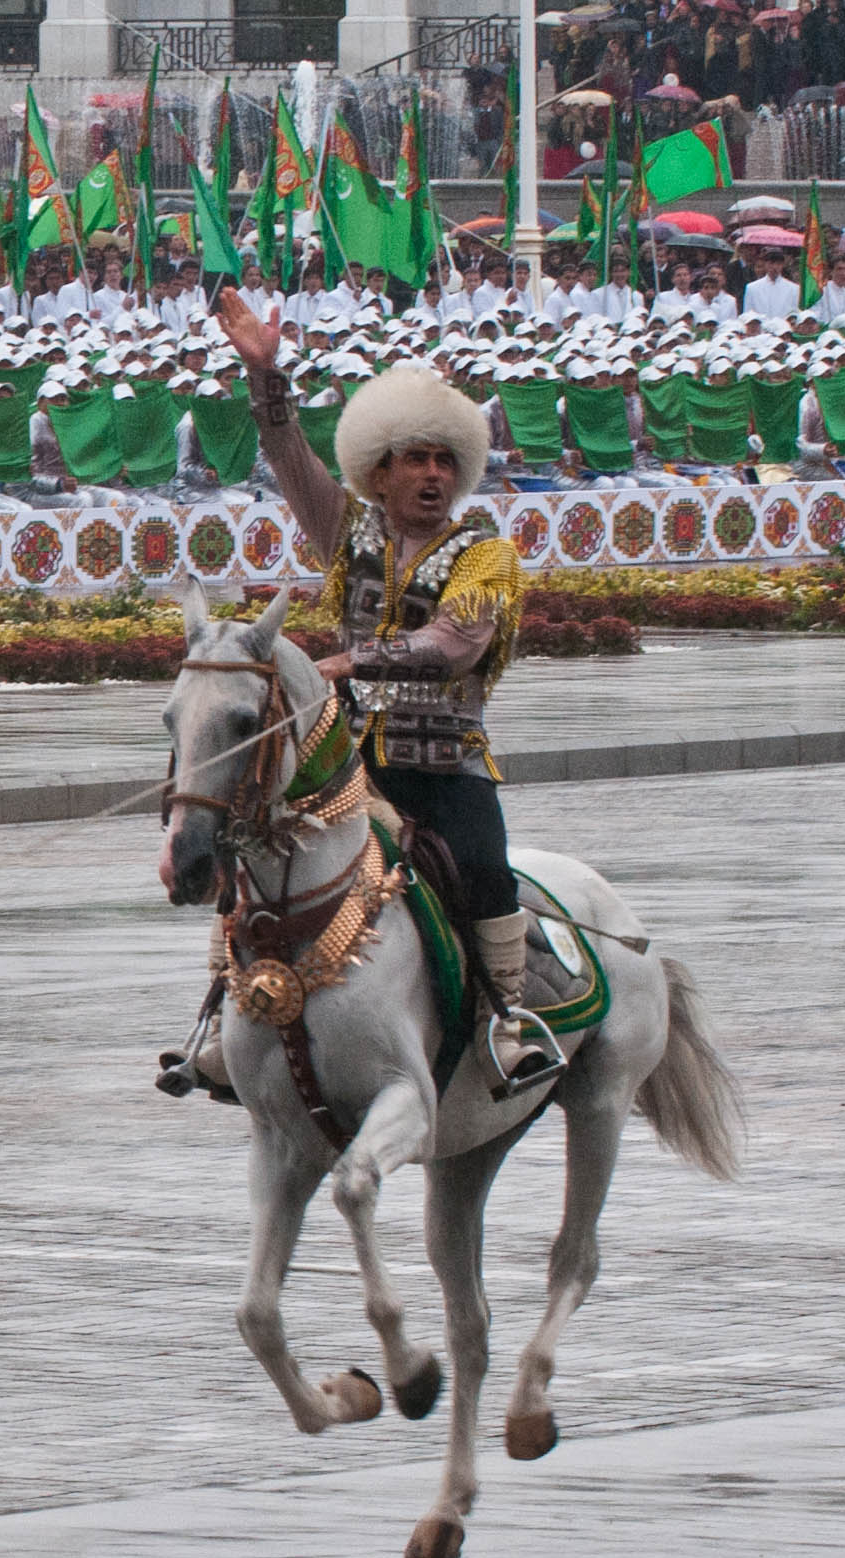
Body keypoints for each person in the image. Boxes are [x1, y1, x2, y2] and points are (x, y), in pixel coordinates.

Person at [210, 284, 559, 1095]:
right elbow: (291, 457)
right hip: (347, 765)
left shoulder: (487, 555)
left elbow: (454, 641)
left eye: (445, 460)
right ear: (380, 470)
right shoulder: (347, 533)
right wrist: (267, 378)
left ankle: (507, 1021)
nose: (432, 475)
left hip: (444, 768)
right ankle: (218, 1023)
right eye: (415, 459)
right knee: (249, 855)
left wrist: (350, 663)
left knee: (482, 866)